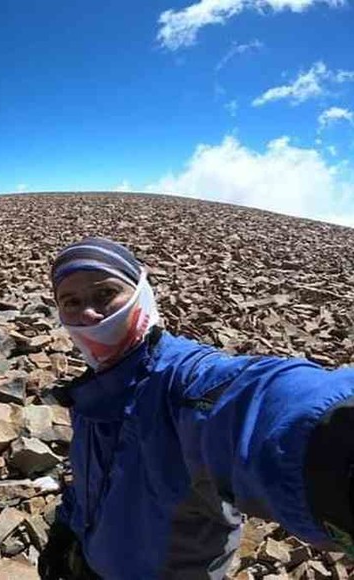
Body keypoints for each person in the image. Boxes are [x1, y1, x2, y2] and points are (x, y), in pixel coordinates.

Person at [38, 237, 354, 579]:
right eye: (71, 301)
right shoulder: (92, 391)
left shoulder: (183, 380)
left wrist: (335, 441)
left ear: (141, 291)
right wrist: (68, 529)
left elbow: (259, 404)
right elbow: (90, 478)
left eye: (105, 294)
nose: (87, 312)